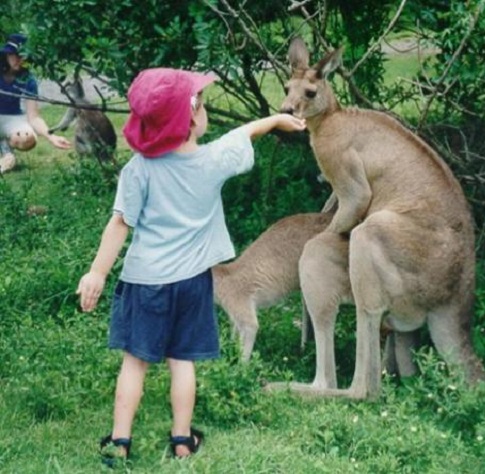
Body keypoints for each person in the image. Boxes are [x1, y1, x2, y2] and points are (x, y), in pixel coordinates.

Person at [75, 67, 306, 465]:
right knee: (183, 361)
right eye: (202, 102)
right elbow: (246, 133)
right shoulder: (212, 161)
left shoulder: (138, 169)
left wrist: (96, 272)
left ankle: (119, 441)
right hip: (193, 284)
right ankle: (182, 440)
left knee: (135, 363)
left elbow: (120, 223)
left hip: (145, 283)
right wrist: (277, 120)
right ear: (192, 117)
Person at [0, 33, 71, 173]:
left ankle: (5, 147)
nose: (18, 59)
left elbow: (34, 117)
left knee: (27, 139)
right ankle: (6, 156)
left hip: (12, 118)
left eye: (22, 55)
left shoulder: (28, 79)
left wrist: (51, 137)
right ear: (6, 56)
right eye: (13, 55)